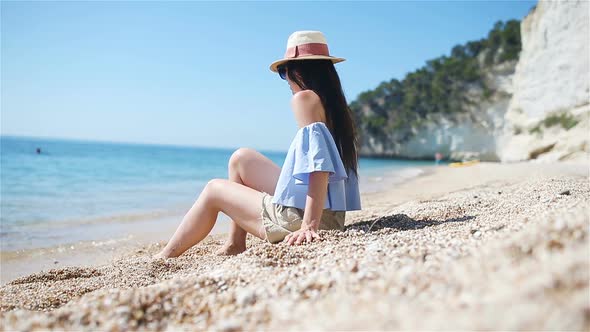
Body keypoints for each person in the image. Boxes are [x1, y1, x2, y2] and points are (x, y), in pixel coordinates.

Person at [154, 30, 362, 259]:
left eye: (285, 72)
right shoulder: (335, 106)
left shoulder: (304, 99)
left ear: (300, 71)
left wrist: (309, 225)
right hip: (331, 217)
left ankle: (164, 257)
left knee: (213, 189)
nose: (285, 79)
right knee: (240, 159)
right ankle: (236, 242)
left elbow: (319, 167)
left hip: (303, 221)